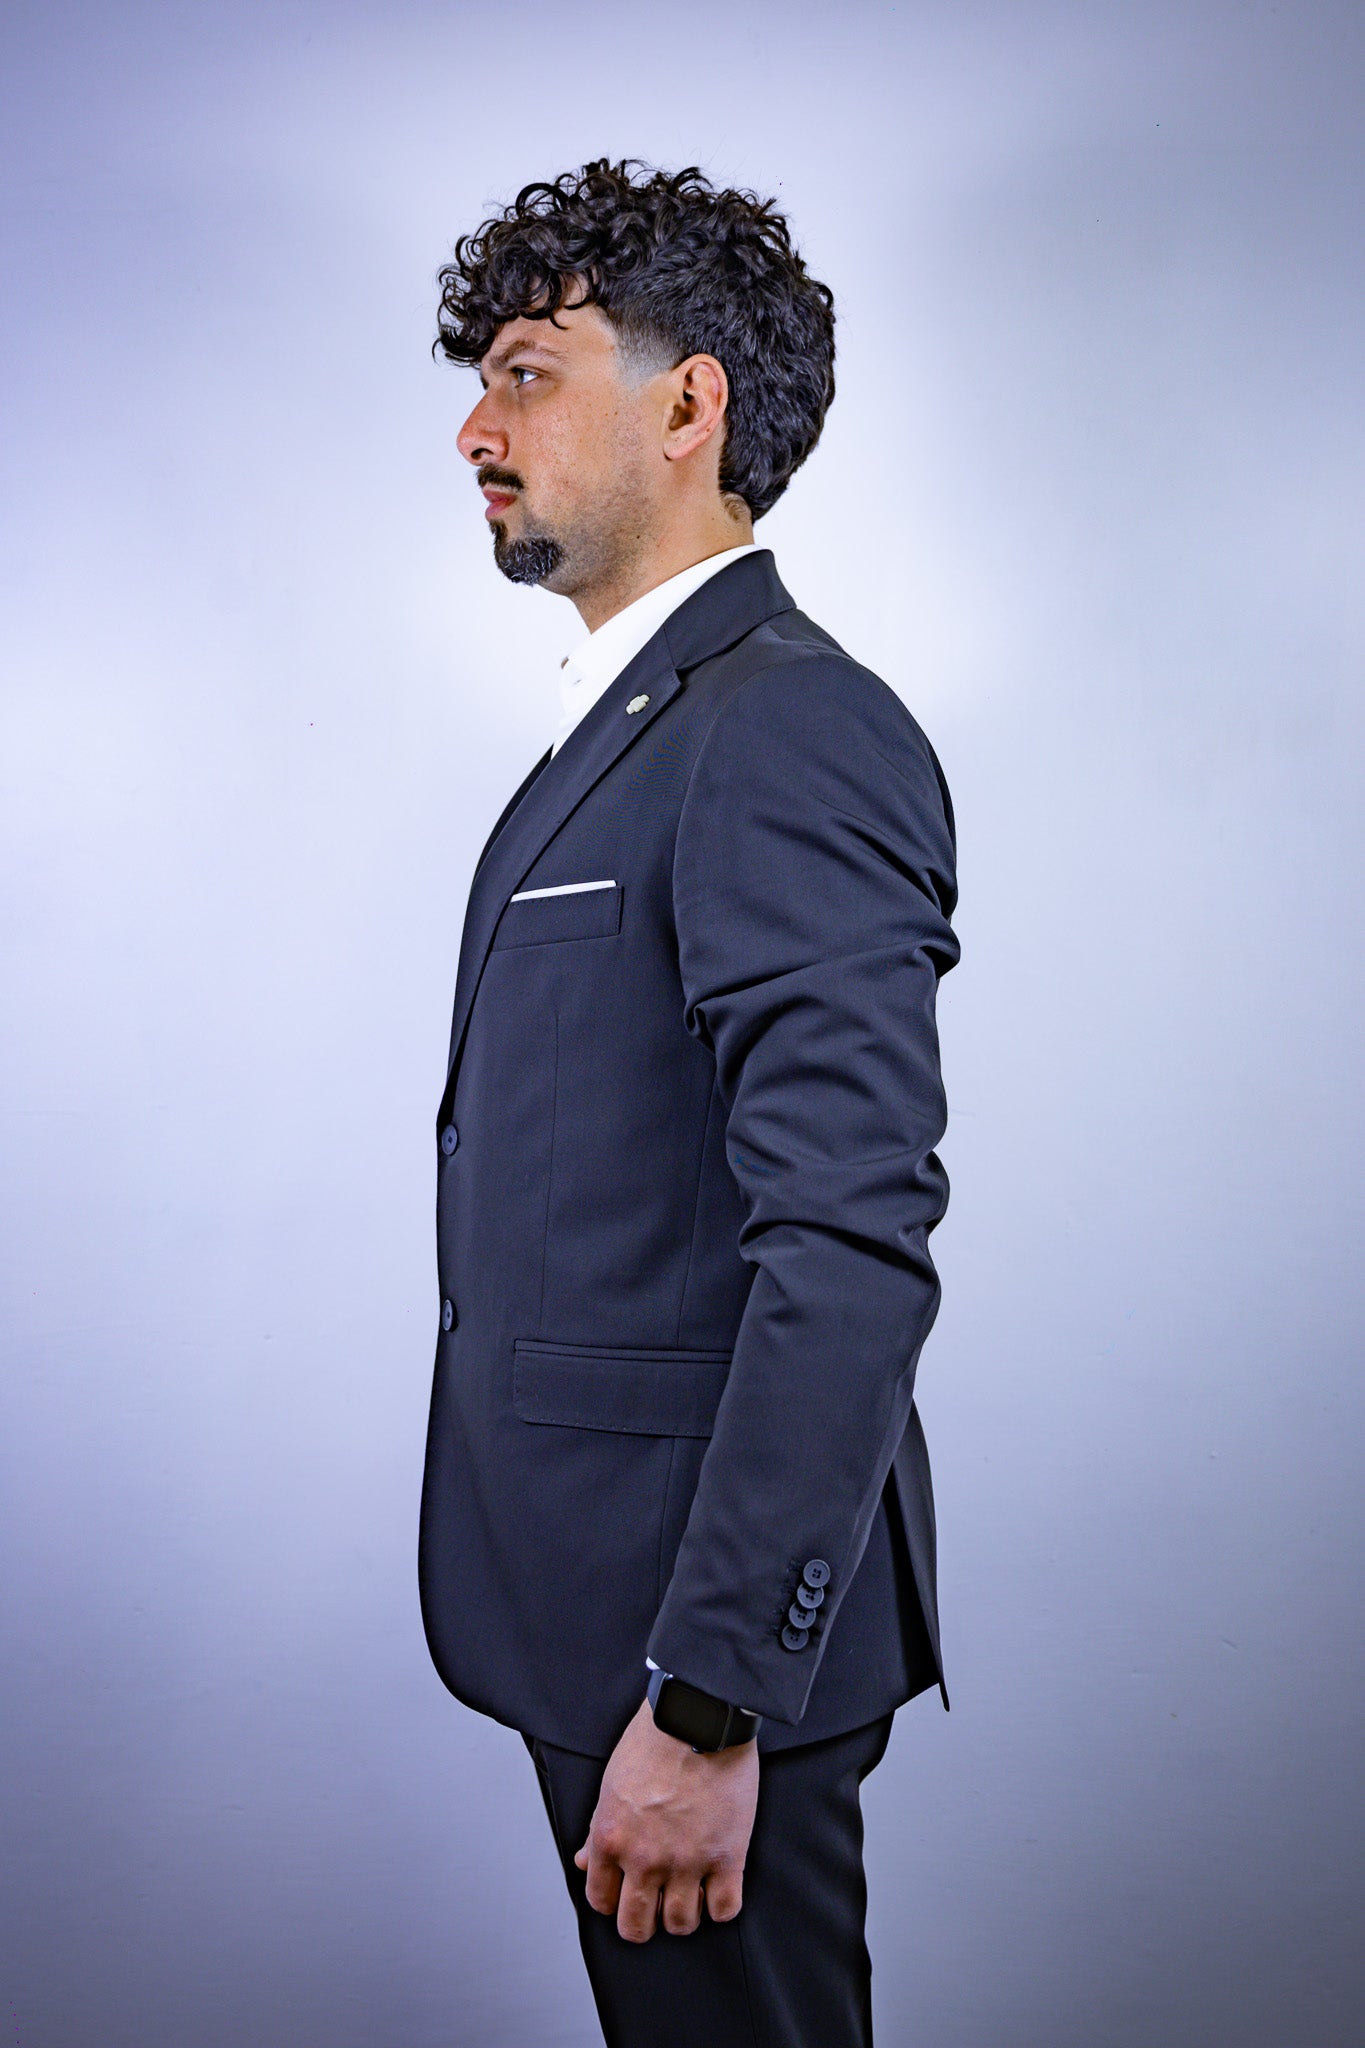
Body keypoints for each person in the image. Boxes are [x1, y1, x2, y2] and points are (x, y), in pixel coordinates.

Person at [418, 159, 959, 2048]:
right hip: (596, 1606)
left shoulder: (785, 725)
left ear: (688, 404)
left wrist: (713, 1696)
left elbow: (849, 1243)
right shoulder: (637, 721)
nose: (476, 433)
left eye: (526, 373)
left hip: (693, 1654)